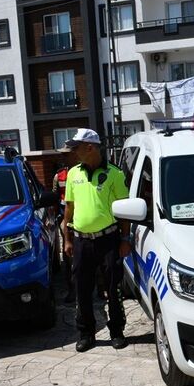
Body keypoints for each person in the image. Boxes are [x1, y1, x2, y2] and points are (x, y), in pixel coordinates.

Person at [62, 129, 131, 352]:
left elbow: (124, 211)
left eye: (76, 147)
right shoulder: (73, 174)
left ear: (90, 147)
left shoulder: (115, 174)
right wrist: (67, 239)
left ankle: (117, 331)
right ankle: (86, 333)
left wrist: (125, 238)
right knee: (82, 289)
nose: (73, 151)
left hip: (108, 240)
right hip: (81, 242)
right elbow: (69, 208)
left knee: (113, 288)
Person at [53, 147, 76, 304]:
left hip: (85, 218)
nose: (64, 157)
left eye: (66, 154)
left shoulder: (85, 171)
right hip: (66, 219)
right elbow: (55, 198)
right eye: (63, 155)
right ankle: (72, 289)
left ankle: (100, 287)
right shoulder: (59, 176)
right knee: (69, 256)